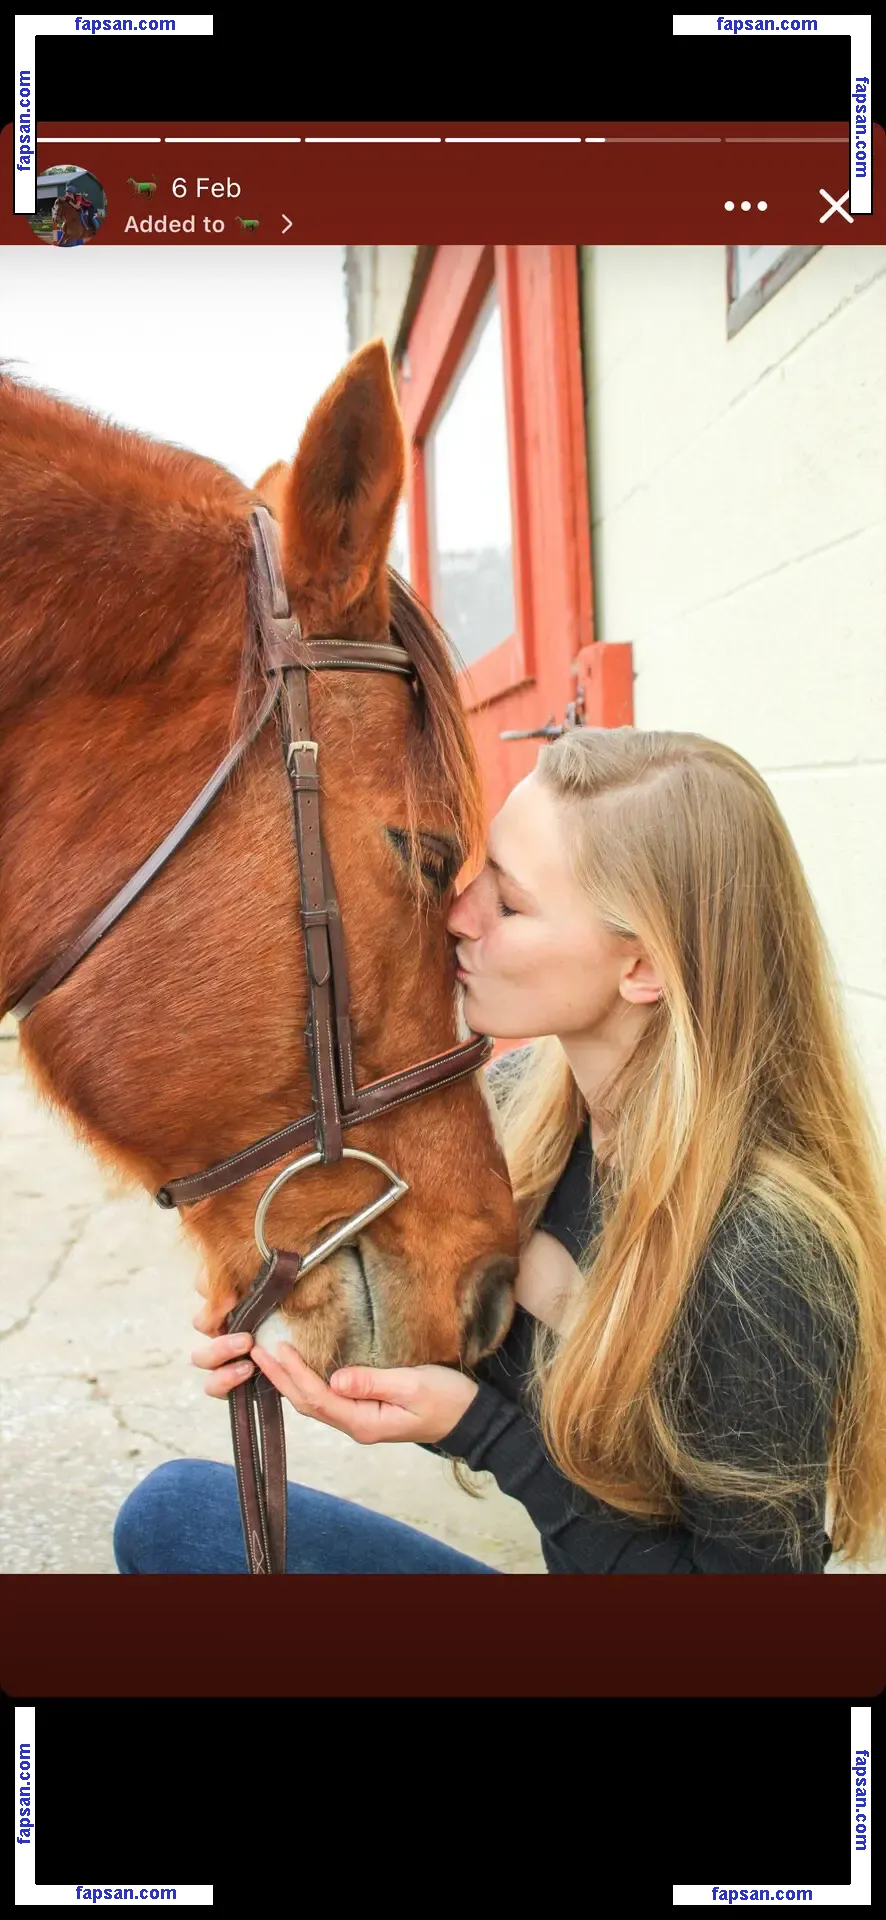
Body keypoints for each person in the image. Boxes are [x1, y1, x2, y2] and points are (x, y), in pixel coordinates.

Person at [114, 727, 886, 1575]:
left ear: (642, 969)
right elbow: (470, 1373)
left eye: (510, 906)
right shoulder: (524, 1111)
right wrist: (300, 1319)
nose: (457, 913)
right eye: (481, 872)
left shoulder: (764, 1256)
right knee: (178, 1516)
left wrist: (479, 1433)